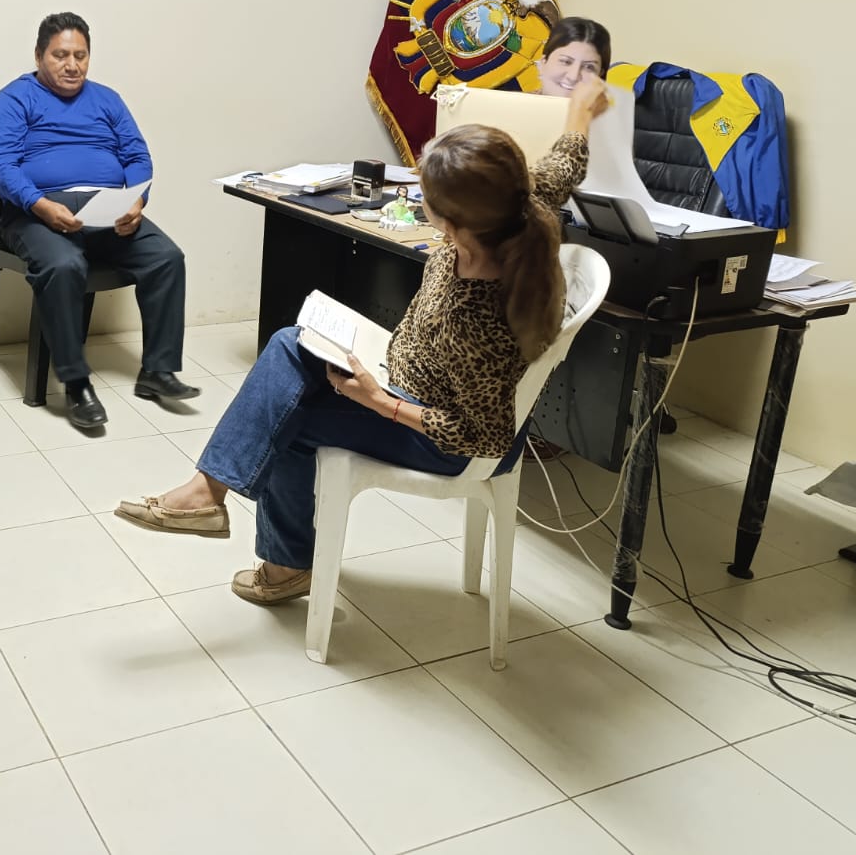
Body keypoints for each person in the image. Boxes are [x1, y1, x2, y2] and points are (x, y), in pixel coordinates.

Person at [116, 78, 609, 603]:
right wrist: (582, 110)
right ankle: (214, 499)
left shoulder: (476, 315)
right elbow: (563, 164)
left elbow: (484, 438)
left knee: (286, 417)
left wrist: (380, 402)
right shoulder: (517, 210)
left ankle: (272, 555)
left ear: (450, 221)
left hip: (435, 435)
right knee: (290, 346)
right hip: (406, 377)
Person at [0, 12, 197, 430]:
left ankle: (158, 371)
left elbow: (137, 156)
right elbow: (0, 164)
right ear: (39, 56)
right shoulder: (14, 99)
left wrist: (137, 200)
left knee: (166, 257)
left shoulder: (107, 99)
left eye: (80, 56)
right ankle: (76, 384)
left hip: (109, 209)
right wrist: (40, 204)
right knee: (64, 265)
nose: (72, 65)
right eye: (60, 55)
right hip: (36, 212)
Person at [535, 16, 611, 98]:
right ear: (543, 63)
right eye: (566, 62)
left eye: (589, 67)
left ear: (600, 76)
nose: (573, 77)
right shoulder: (523, 105)